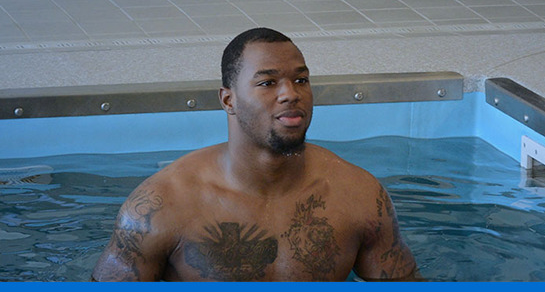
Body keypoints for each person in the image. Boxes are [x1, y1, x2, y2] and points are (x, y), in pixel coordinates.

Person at [91, 27, 420, 281]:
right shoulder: (160, 207)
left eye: (300, 80)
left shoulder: (358, 194)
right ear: (228, 100)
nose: (290, 94)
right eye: (267, 83)